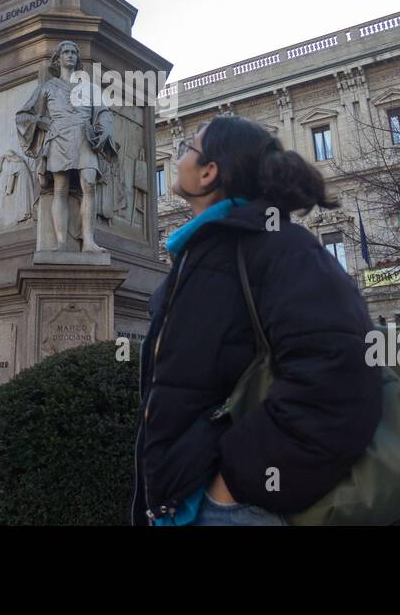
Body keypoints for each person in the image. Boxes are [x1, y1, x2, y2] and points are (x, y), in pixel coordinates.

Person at [130, 115, 382, 526]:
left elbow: (340, 373)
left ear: (209, 172)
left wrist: (233, 481)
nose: (177, 161)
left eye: (186, 149)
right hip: (185, 504)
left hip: (231, 508)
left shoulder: (278, 247)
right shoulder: (204, 254)